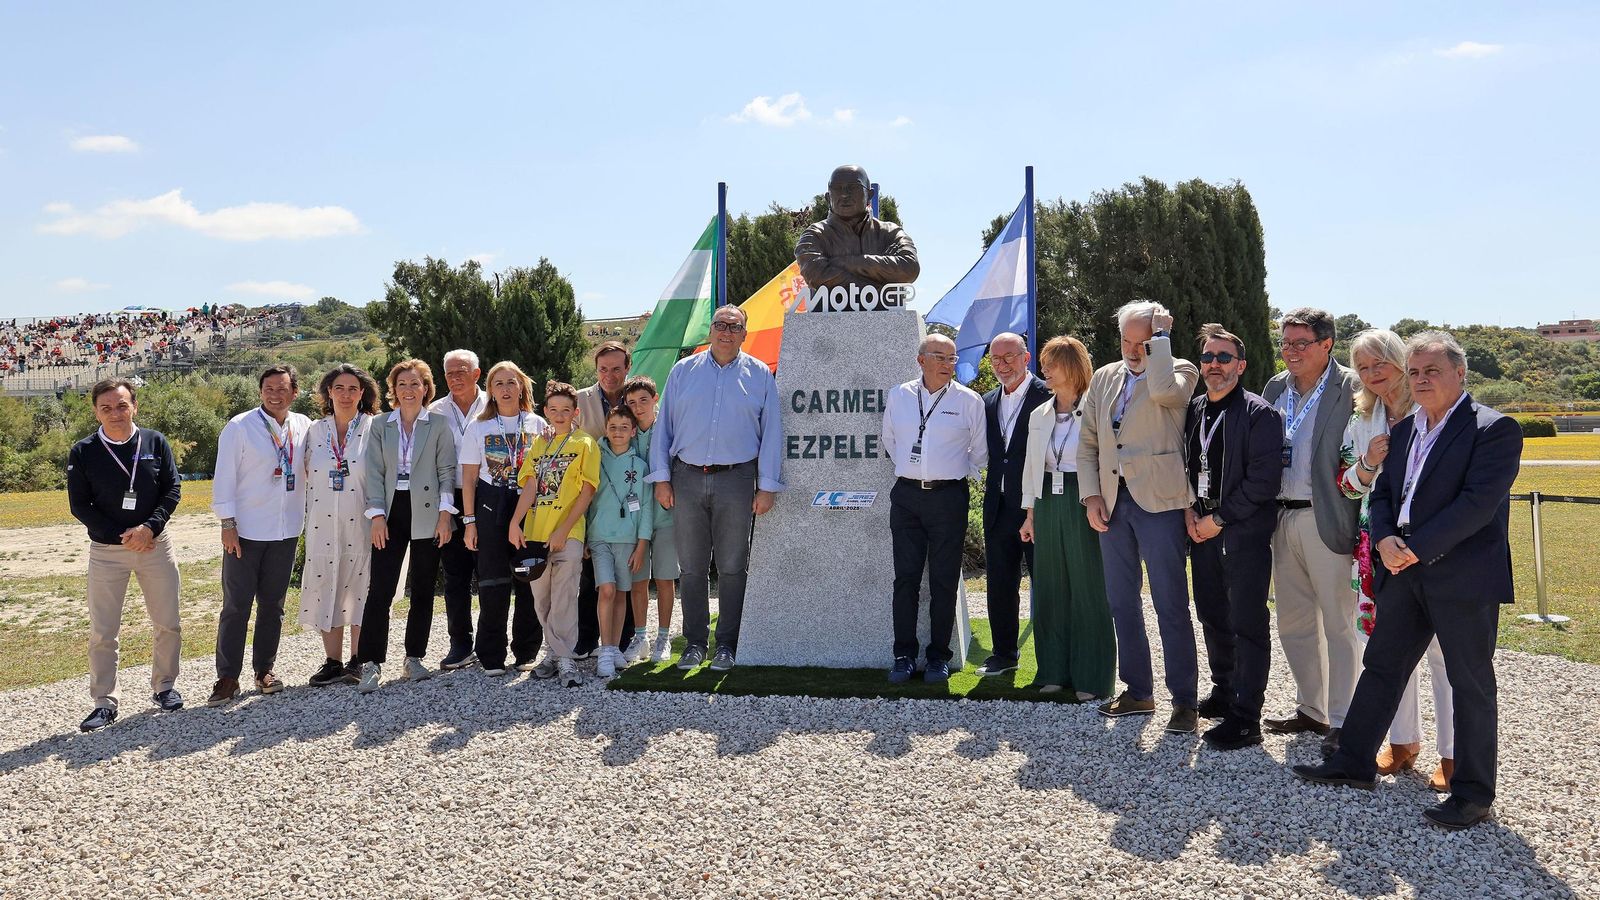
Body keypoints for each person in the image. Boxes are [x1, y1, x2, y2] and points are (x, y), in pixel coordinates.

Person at [1295, 331, 1521, 831]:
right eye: (1415, 372)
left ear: (1460, 374)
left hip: (1461, 579)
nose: (1420, 380)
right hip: (1401, 571)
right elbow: (1381, 495)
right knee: (1382, 667)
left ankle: (1472, 794)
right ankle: (1352, 762)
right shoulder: (1402, 430)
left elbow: (1477, 506)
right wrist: (1383, 542)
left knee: (1471, 684)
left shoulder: (1494, 429)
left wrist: (1413, 546)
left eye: (1431, 371)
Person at [1338, 329, 1454, 787]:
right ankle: (1403, 741)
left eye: (1379, 364)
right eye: (1363, 368)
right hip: (1377, 545)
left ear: (1399, 361)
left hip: (1433, 542)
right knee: (1385, 646)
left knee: (1444, 653)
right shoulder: (1362, 418)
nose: (1372, 375)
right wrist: (1367, 462)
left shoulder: (1433, 408)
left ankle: (1453, 755)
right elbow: (1345, 484)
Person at [1077, 301, 1201, 732]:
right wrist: (1091, 496)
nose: (1133, 350)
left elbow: (1168, 394)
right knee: (1120, 601)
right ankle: (1138, 691)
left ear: (1159, 336)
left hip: (1161, 502)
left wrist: (1161, 343)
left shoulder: (1181, 369)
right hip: (1113, 501)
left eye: (1142, 341)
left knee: (1170, 602)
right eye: (1127, 341)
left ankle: (1185, 701)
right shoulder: (1103, 376)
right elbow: (1089, 440)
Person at [647, 305, 785, 672]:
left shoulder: (759, 376)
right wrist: (661, 478)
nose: (725, 332)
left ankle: (727, 644)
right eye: (719, 325)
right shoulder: (682, 372)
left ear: (744, 334)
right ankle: (694, 644)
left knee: (733, 567)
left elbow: (772, 434)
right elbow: (663, 431)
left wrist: (766, 486)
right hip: (686, 477)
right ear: (711, 330)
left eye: (733, 326)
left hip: (737, 480)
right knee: (691, 568)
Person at [1261, 308, 1363, 753]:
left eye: (1302, 343)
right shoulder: (1275, 388)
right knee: (1294, 622)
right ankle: (1311, 709)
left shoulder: (1352, 388)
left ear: (1327, 345)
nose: (1291, 351)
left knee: (1340, 624)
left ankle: (1345, 719)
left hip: (1327, 516)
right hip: (1281, 517)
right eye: (1286, 343)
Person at [1182, 326, 1284, 750]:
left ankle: (1246, 717)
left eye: (1224, 358)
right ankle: (1225, 691)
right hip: (1200, 529)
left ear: (1240, 366)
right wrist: (1190, 509)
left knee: (1246, 623)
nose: (1214, 365)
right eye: (1208, 358)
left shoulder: (1261, 415)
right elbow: (1185, 466)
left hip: (1239, 532)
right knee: (1212, 616)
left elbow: (1263, 481)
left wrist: (1219, 519)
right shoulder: (1194, 409)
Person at [67, 377, 183, 730]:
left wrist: (150, 528)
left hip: (155, 545)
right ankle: (104, 701)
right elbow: (79, 506)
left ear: (134, 405)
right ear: (96, 412)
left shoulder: (154, 441)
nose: (115, 413)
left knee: (168, 622)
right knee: (104, 630)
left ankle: (165, 687)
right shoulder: (83, 451)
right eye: (106, 408)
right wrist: (123, 536)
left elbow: (172, 488)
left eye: (121, 405)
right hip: (107, 551)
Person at [881, 333, 986, 684]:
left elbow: (980, 451)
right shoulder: (899, 396)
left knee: (944, 581)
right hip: (907, 498)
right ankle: (904, 656)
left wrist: (951, 474)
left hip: (948, 498)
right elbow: (890, 440)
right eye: (940, 357)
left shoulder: (968, 400)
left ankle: (939, 657)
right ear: (920, 360)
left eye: (952, 358)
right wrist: (914, 471)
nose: (947, 364)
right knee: (905, 580)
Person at [209, 365, 312, 707]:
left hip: (285, 531)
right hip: (246, 532)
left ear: (294, 392)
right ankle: (227, 677)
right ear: (260, 391)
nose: (275, 394)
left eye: (282, 388)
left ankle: (264, 670)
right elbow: (223, 477)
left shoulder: (304, 426)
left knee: (273, 606)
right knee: (236, 606)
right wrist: (227, 524)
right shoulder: (240, 427)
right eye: (268, 388)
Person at [1017, 337, 1112, 699]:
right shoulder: (1039, 415)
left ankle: (1092, 677)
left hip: (1083, 497)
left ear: (1071, 366)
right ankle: (1053, 671)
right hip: (1046, 501)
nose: (1044, 371)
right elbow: (1030, 468)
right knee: (1051, 588)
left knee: (1089, 589)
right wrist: (1029, 515)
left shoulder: (1097, 407)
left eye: (1050, 363)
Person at [356, 359, 458, 693]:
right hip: (390, 510)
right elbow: (373, 473)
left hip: (428, 511)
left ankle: (414, 657)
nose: (409, 390)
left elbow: (447, 472)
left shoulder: (439, 424)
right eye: (402, 384)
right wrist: (376, 516)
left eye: (416, 383)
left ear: (426, 388)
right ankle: (371, 662)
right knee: (380, 590)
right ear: (393, 390)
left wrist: (446, 516)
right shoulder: (380, 425)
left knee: (424, 588)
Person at [460, 361, 548, 676]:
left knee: (529, 577)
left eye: (512, 382)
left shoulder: (538, 424)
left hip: (529, 506)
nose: (506, 389)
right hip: (490, 506)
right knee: (493, 581)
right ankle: (491, 654)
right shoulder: (478, 426)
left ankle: (526, 650)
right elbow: (468, 478)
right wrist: (469, 521)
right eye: (499, 384)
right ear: (491, 391)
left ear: (522, 387)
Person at [509, 382, 599, 688]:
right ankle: (555, 652)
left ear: (575, 412)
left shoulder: (585, 443)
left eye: (566, 410)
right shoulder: (539, 444)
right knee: (541, 599)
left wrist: (563, 529)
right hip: (536, 532)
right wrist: (515, 522)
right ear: (545, 412)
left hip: (569, 531)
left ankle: (564, 659)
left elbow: (586, 492)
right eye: (554, 410)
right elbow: (531, 485)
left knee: (564, 595)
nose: (559, 415)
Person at [296, 364, 380, 687]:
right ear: (328, 393)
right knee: (325, 584)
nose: (346, 395)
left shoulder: (375, 428)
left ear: (363, 394)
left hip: (362, 522)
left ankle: (358, 659)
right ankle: (332, 661)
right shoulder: (315, 431)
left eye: (353, 389)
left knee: (360, 587)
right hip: (322, 524)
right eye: (339, 388)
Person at [977, 332, 1052, 678]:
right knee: (1000, 584)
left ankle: (1053, 658)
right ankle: (1004, 655)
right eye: (996, 359)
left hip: (1039, 506)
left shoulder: (1048, 395)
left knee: (1047, 583)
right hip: (999, 506)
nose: (1002, 365)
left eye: (1009, 357)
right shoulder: (988, 401)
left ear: (1026, 357)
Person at [575, 341, 636, 658]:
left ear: (627, 367)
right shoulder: (580, 400)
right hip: (591, 497)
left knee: (625, 575)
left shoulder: (638, 396)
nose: (609, 375)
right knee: (590, 575)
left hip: (629, 494)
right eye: (602, 369)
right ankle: (586, 638)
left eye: (616, 368)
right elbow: (563, 434)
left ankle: (622, 641)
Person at [429, 349, 488, 669]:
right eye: (449, 373)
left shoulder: (495, 404)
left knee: (491, 573)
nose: (455, 378)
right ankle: (460, 645)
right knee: (455, 575)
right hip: (450, 497)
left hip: (489, 494)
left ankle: (490, 642)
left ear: (477, 374)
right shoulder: (436, 410)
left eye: (461, 371)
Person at [588, 406, 653, 678]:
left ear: (633, 431)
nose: (618, 432)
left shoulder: (640, 466)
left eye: (624, 427)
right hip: (599, 536)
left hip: (628, 539)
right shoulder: (594, 458)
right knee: (606, 590)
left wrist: (642, 544)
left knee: (621, 593)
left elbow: (646, 507)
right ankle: (605, 650)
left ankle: (614, 647)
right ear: (606, 428)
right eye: (613, 427)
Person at [793, 164, 920, 295]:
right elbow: (816, 274)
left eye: (853, 187)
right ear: (828, 197)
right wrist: (877, 287)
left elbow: (910, 269)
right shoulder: (814, 235)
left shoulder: (890, 233)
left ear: (869, 194)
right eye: (837, 188)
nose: (844, 194)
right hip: (828, 312)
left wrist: (847, 262)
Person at [623, 375, 677, 663]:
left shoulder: (669, 431)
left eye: (643, 400)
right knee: (638, 580)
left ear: (655, 399)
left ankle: (664, 637)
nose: (638, 406)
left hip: (666, 516)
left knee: (665, 578)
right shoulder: (624, 434)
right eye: (631, 402)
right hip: (634, 521)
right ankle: (641, 636)